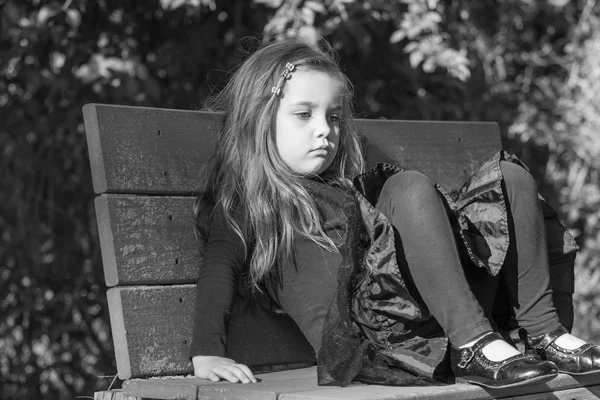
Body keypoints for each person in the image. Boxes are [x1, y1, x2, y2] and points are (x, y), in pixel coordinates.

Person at [189, 37, 600, 389]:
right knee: (406, 185)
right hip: (380, 340)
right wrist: (206, 353)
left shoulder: (346, 187)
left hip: (438, 315)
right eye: (303, 114)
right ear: (258, 119)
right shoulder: (252, 206)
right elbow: (218, 270)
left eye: (334, 117)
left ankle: (545, 333)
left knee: (510, 176)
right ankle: (475, 344)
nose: (325, 131)